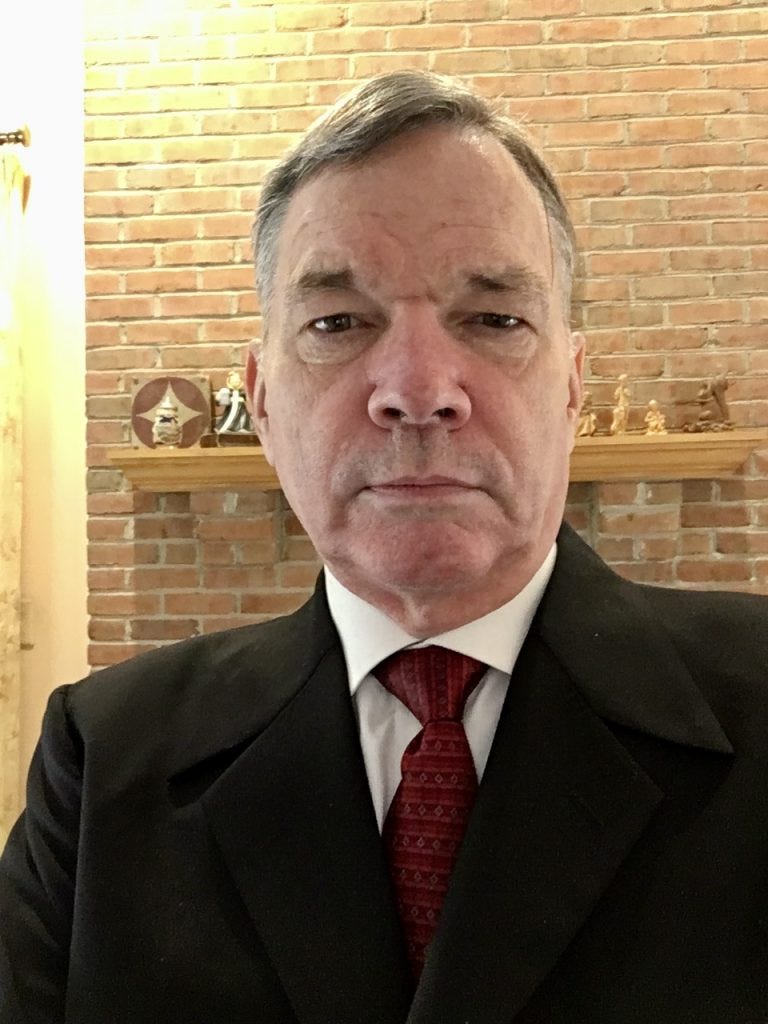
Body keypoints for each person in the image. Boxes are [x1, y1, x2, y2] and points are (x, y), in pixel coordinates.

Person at [1, 71, 767, 1024]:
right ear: (263, 400)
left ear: (572, 387)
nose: (416, 389)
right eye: (336, 323)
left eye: (494, 319)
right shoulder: (107, 756)